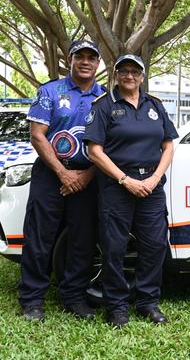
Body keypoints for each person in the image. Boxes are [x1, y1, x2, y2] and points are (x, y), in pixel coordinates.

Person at [83, 54, 178, 328]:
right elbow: (94, 151)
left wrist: (155, 178)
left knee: (154, 245)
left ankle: (148, 302)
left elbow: (168, 144)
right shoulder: (103, 106)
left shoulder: (155, 105)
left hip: (151, 186)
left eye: (134, 71)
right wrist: (126, 180)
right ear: (115, 75)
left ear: (142, 76)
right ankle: (117, 307)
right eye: (123, 71)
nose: (129, 76)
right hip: (116, 186)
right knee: (114, 247)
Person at [18, 40, 105, 322]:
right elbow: (37, 135)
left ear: (98, 63)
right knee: (39, 238)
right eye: (80, 56)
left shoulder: (105, 97)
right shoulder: (49, 91)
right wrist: (62, 173)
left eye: (92, 57)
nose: (86, 62)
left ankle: (74, 298)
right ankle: (32, 301)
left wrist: (86, 174)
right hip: (50, 173)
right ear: (70, 59)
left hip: (88, 176)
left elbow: (108, 144)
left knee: (82, 240)